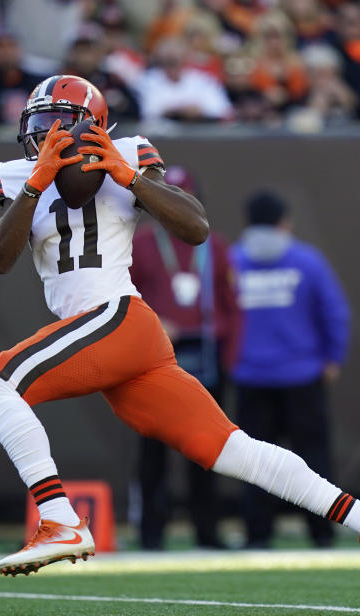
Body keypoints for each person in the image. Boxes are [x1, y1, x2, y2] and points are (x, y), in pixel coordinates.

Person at [0, 74, 360, 590]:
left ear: (89, 126)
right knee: (232, 450)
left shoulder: (130, 153)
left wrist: (130, 178)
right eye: (39, 123)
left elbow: (196, 228)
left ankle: (60, 519)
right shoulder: (16, 175)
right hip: (108, 335)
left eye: (57, 122)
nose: (45, 134)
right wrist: (36, 183)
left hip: (120, 319)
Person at [128, 165, 241, 550]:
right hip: (154, 362)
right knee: (153, 453)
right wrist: (154, 321)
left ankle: (207, 532)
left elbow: (232, 305)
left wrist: (230, 358)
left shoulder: (216, 245)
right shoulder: (141, 244)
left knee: (207, 450)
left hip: (205, 357)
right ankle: (150, 534)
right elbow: (124, 298)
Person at [230, 190, 350, 549]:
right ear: (284, 222)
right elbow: (335, 312)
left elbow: (217, 318)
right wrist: (333, 358)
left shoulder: (231, 262)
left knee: (254, 465)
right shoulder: (307, 261)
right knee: (314, 460)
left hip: (250, 378)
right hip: (303, 377)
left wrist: (230, 360)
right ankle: (322, 533)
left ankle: (257, 535)